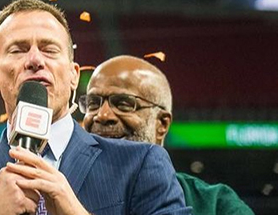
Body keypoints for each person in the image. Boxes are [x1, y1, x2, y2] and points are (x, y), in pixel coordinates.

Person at [0, 0, 191, 215]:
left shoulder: (139, 164)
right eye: (18, 50)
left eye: (49, 49)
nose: (35, 60)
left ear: (74, 75)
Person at [82, 55, 252, 215]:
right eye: (93, 104)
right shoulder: (61, 190)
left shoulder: (215, 205)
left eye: (124, 104)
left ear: (161, 124)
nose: (102, 115)